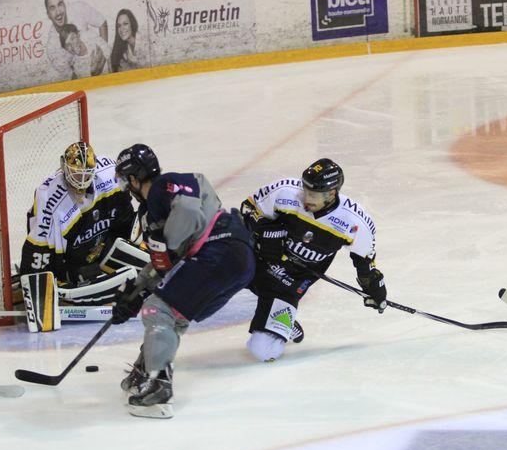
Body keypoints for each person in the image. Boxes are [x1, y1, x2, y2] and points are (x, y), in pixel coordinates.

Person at [111, 144, 255, 418]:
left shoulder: (162, 187)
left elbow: (187, 215)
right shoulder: (160, 202)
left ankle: (158, 389)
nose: (126, 188)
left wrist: (169, 244)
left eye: (124, 180)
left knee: (158, 310)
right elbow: (163, 265)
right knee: (173, 313)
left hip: (220, 250)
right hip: (234, 258)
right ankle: (145, 371)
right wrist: (133, 294)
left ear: (133, 178)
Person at [239, 158, 387, 362]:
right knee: (209, 276)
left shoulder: (354, 223)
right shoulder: (285, 192)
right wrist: (264, 230)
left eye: (313, 194)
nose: (305, 197)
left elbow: (365, 261)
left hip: (288, 282)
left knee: (262, 350)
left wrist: (374, 288)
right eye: (305, 189)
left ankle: (284, 323)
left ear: (332, 193)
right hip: (257, 261)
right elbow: (247, 210)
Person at [19, 141, 140, 304]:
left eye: (86, 174)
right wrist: (36, 284)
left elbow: (127, 218)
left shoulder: (110, 174)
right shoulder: (49, 199)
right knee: (86, 274)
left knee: (139, 241)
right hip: (69, 262)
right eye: (76, 174)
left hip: (96, 248)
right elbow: (37, 250)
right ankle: (69, 284)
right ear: (64, 167)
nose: (81, 181)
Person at [44, 0, 108, 79]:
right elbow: (73, 77)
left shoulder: (78, 8)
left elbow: (102, 22)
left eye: (60, 5)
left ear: (65, 5)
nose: (58, 12)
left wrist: (102, 57)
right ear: (48, 15)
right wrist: (92, 75)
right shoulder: (52, 48)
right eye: (52, 8)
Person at [110, 9, 147, 73]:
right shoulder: (123, 51)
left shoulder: (145, 42)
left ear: (132, 24)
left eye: (125, 24)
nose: (121, 29)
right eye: (119, 26)